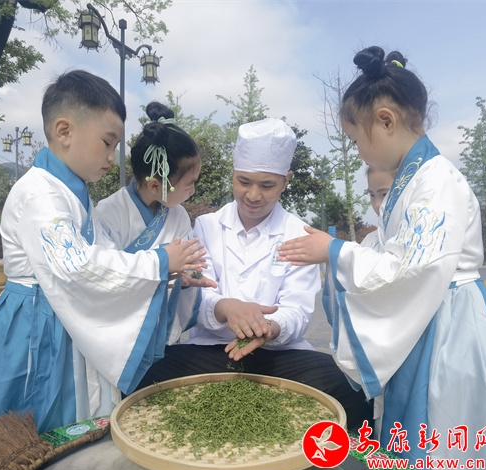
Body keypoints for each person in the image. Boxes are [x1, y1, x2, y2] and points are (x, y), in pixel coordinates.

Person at [278, 47, 486, 470]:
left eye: (356, 139)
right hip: (432, 319)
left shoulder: (436, 182)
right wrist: (338, 251)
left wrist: (334, 251)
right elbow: (396, 257)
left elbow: (411, 270)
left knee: (447, 448)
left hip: (453, 332)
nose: (358, 151)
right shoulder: (414, 180)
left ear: (385, 121)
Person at [0, 70, 208, 434]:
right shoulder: (40, 194)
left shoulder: (71, 192)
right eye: (107, 143)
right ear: (64, 131)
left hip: (62, 314)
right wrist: (160, 261)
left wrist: (170, 272)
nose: (112, 157)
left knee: (65, 416)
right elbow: (76, 266)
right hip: (34, 322)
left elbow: (102, 252)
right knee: (27, 422)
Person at [137, 118, 373, 431]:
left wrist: (270, 328)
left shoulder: (298, 233)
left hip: (277, 355)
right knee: (145, 374)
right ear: (233, 175)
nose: (252, 195)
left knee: (351, 388)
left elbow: (298, 309)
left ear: (286, 181)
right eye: (243, 181)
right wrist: (225, 308)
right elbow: (196, 293)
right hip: (211, 350)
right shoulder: (207, 226)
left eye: (267, 185)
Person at [96, 101, 217, 344]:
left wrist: (187, 277)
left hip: (161, 331)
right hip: (119, 335)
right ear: (155, 185)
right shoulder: (108, 213)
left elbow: (186, 266)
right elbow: (104, 276)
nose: (193, 191)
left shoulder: (179, 215)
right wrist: (165, 263)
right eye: (189, 184)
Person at [360, 165, 396, 250]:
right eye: (372, 195)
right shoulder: (369, 241)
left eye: (384, 194)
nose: (377, 204)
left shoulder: (419, 237)